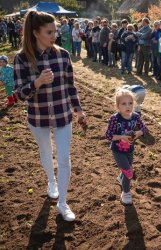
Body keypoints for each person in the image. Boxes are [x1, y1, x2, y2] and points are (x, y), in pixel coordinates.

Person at [14, 11, 86, 221]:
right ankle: (51, 181)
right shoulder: (22, 58)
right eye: (49, 32)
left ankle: (63, 203)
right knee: (46, 151)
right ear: (36, 32)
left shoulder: (63, 55)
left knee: (64, 158)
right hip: (38, 117)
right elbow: (18, 94)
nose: (54, 35)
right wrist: (37, 83)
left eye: (55, 31)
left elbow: (71, 86)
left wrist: (79, 110)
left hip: (63, 114)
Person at [105, 89, 148, 205]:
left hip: (129, 149)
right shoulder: (115, 119)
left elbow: (144, 129)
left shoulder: (135, 117)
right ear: (117, 106)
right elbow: (108, 136)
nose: (127, 106)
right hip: (117, 150)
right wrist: (122, 137)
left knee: (125, 170)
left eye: (130, 103)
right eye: (123, 104)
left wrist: (138, 133)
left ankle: (121, 177)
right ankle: (126, 193)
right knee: (129, 172)